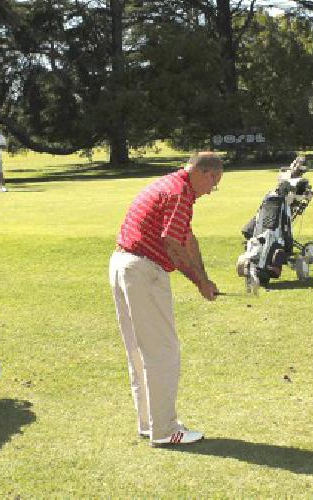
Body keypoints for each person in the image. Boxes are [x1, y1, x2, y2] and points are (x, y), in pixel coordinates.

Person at [109, 152, 223, 446]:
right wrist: (199, 282)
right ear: (205, 174)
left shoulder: (172, 185)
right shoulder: (179, 193)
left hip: (123, 264)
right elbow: (171, 244)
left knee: (140, 352)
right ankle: (164, 430)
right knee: (163, 351)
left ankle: (151, 424)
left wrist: (205, 279)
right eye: (214, 183)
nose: (212, 190)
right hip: (144, 271)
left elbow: (187, 238)